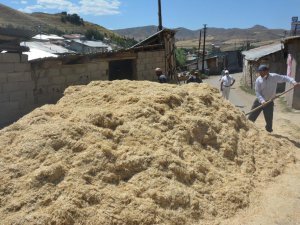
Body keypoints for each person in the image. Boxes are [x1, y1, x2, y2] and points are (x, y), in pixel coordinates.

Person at [248, 64, 300, 132]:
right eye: (259, 72)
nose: (260, 73)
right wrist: (262, 101)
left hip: (269, 102)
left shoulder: (274, 77)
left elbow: (285, 78)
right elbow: (257, 92)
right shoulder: (258, 80)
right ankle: (247, 129)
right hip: (259, 102)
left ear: (267, 71)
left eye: (261, 72)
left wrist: (294, 82)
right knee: (251, 117)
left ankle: (269, 132)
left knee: (269, 120)